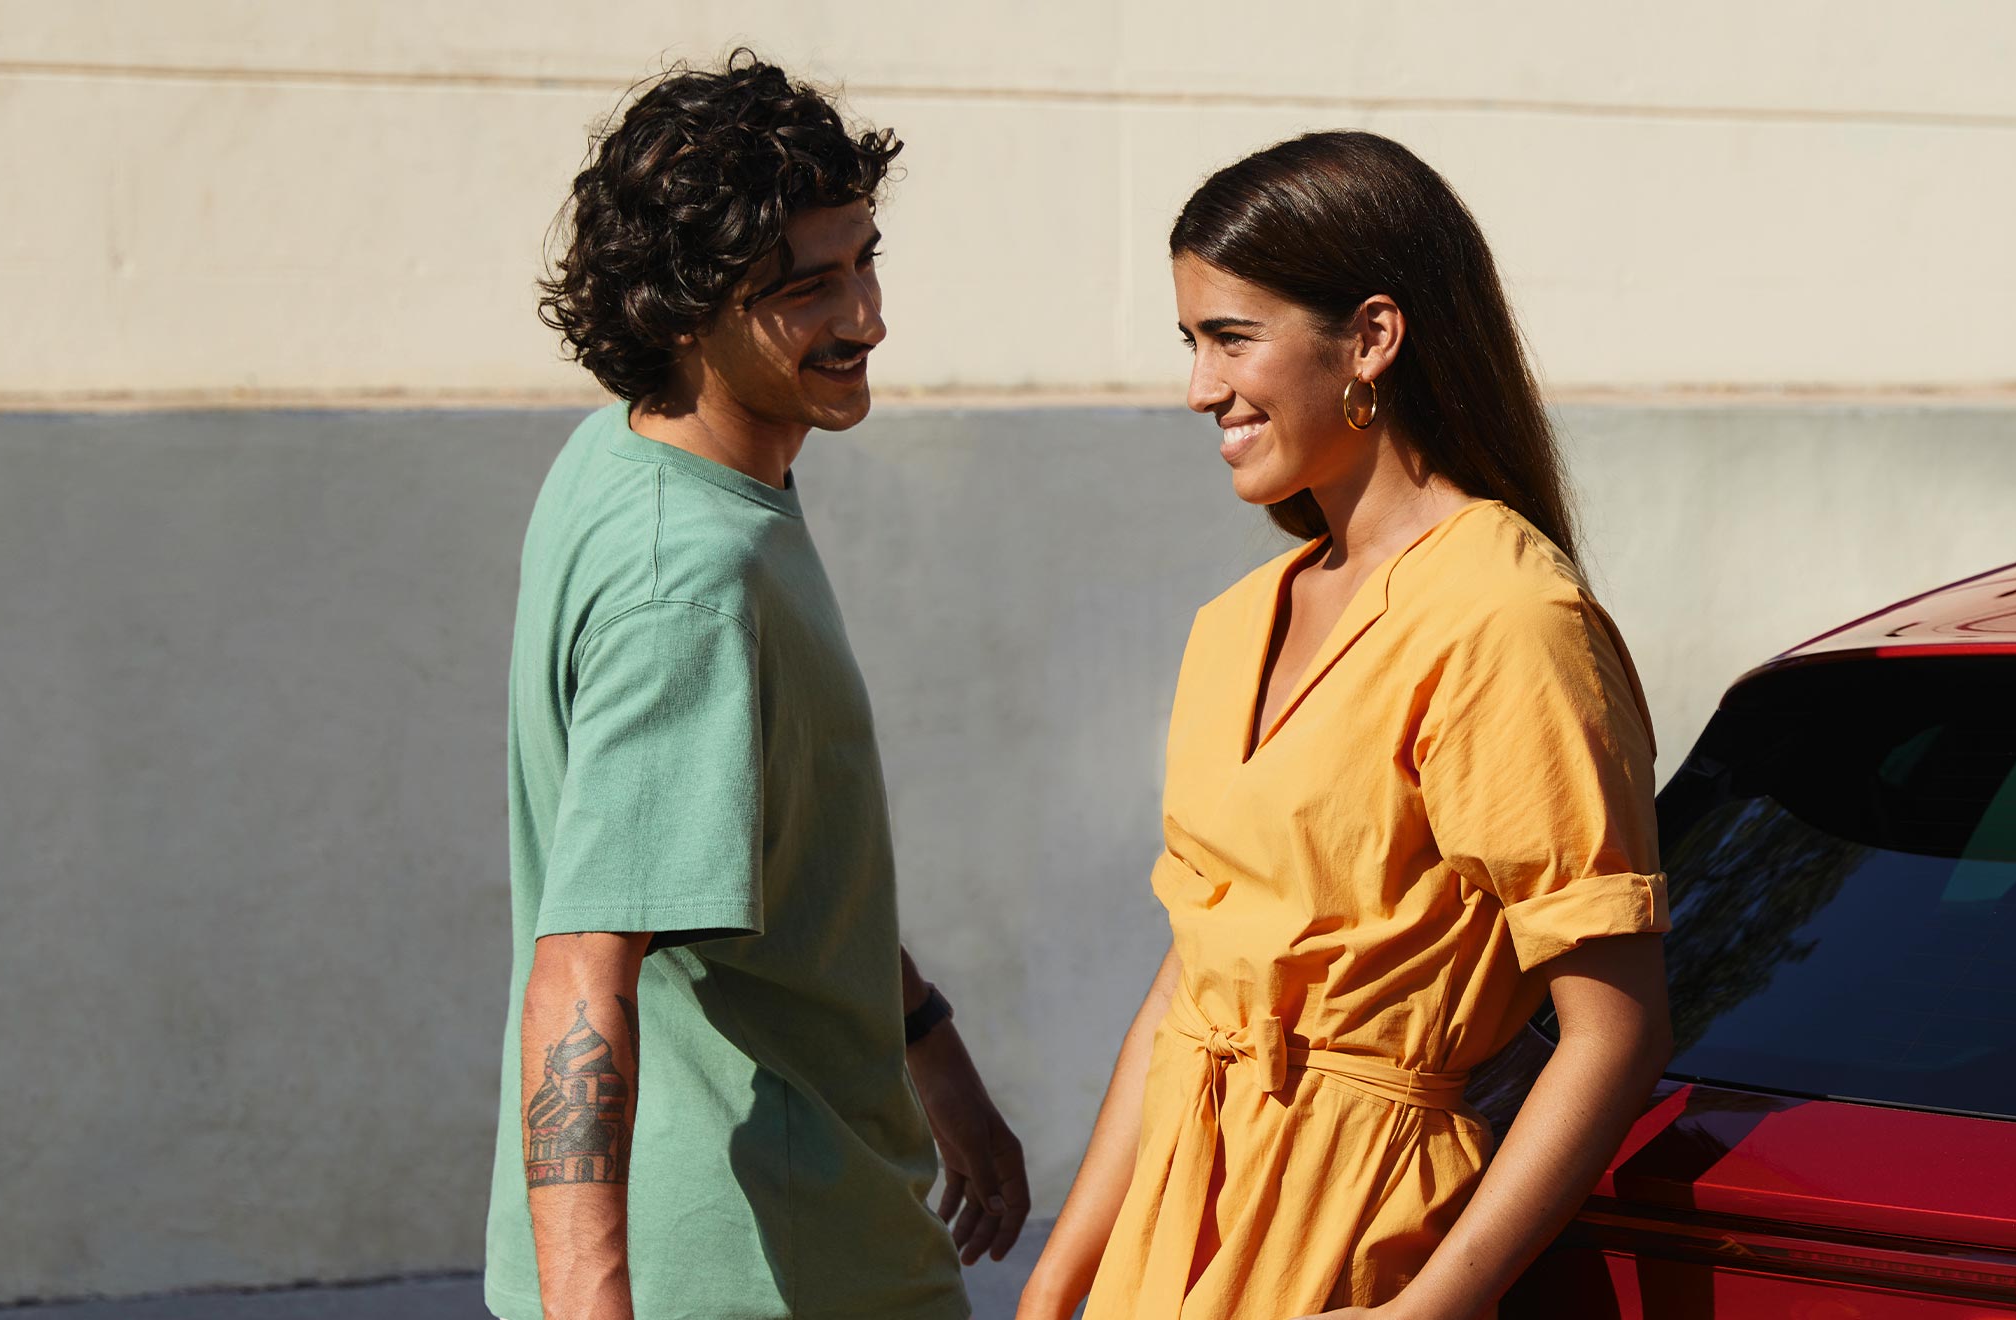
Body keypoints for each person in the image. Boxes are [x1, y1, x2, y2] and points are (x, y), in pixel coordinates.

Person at [1018, 131, 1674, 1320]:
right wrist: (1058, 1280)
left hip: (1360, 1237)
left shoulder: (1504, 617)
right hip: (1166, 1236)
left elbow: (1615, 1025)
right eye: (1190, 340)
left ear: (1371, 337)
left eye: (1231, 337)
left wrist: (1436, 1306)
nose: (1198, 387)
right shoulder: (1233, 622)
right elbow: (1188, 987)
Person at [486, 52, 1027, 1320]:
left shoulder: (627, 455)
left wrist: (932, 1052)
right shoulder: (690, 581)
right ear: (687, 311)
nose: (866, 317)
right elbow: (581, 966)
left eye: (864, 260)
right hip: (761, 1267)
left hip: (772, 1226)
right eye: (806, 290)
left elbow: (774, 843)